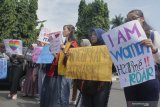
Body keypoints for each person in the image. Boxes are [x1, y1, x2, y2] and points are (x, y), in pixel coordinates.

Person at [124, 9, 160, 107]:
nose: (130, 22)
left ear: (142, 19)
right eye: (128, 20)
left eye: (133, 18)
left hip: (149, 80)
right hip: (131, 82)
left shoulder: (153, 34)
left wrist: (153, 48)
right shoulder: (124, 39)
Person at [80, 28, 112, 107]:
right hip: (87, 86)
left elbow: (113, 68)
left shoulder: (108, 50)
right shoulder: (87, 50)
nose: (92, 36)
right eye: (91, 35)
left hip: (101, 86)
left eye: (95, 34)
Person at [60, 24, 78, 107]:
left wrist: (64, 49)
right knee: (61, 94)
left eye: (65, 29)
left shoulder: (73, 43)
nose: (63, 31)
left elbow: (74, 57)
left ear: (70, 31)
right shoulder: (66, 42)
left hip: (68, 72)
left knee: (64, 95)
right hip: (62, 70)